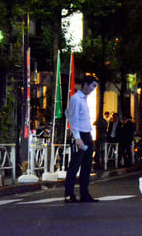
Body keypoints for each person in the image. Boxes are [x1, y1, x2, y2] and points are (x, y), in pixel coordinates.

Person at [64, 74, 99, 203]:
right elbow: (73, 118)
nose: (93, 89)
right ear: (85, 84)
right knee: (75, 165)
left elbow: (68, 113)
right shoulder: (76, 99)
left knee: (86, 166)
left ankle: (85, 194)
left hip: (87, 134)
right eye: (93, 86)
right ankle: (69, 194)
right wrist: (77, 138)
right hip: (80, 135)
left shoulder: (83, 99)